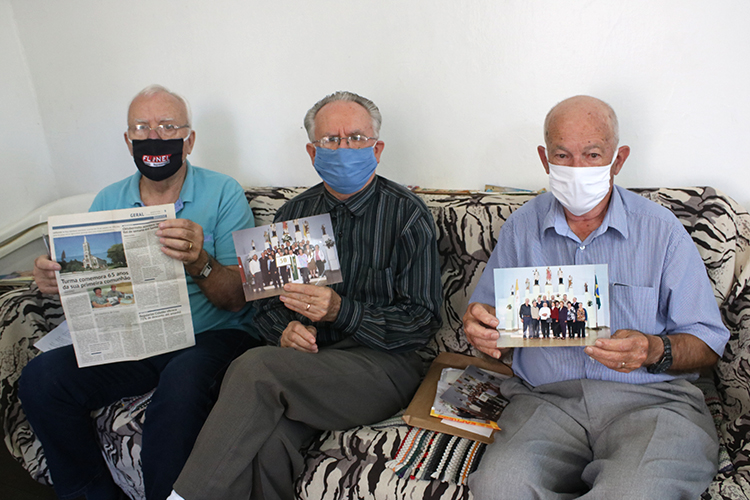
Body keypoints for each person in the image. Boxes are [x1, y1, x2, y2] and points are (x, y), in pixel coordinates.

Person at [169, 90, 442, 500]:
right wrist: (284, 332)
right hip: (308, 365)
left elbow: (423, 322)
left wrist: (342, 311)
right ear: (313, 152)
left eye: (356, 138)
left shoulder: (406, 214)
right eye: (331, 140)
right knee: (267, 443)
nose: (343, 148)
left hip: (384, 366)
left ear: (377, 148)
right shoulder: (293, 215)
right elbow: (264, 308)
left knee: (254, 367)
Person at [463, 95, 729, 499]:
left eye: (592, 154)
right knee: (499, 487)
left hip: (653, 402)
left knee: (633, 492)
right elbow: (492, 326)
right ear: (544, 158)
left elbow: (708, 344)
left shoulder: (662, 231)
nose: (577, 168)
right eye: (562, 155)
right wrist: (483, 330)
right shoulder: (521, 228)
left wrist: (653, 348)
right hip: (546, 402)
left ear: (617, 160)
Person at [19, 85, 260, 500]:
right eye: (142, 128)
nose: (155, 136)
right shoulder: (109, 199)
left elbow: (238, 299)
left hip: (212, 336)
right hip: (135, 339)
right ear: (128, 141)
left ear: (189, 140)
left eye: (168, 126)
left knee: (181, 389)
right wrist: (59, 283)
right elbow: (93, 292)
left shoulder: (223, 192)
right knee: (41, 379)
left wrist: (199, 260)